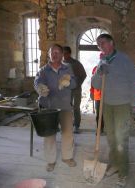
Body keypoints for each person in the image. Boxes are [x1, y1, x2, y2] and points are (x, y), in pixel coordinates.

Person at [91, 34, 135, 188]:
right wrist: (99, 72)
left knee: (121, 139)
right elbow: (96, 85)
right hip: (107, 104)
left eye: (103, 43)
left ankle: (123, 172)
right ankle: (114, 164)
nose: (101, 46)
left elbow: (134, 80)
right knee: (111, 137)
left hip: (122, 105)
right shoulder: (102, 61)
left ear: (111, 43)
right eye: (99, 45)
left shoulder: (124, 59)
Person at [34, 44, 77, 172]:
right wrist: (40, 88)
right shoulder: (43, 70)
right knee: (49, 134)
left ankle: (67, 157)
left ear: (62, 54)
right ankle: (50, 161)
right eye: (52, 52)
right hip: (49, 107)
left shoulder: (67, 68)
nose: (55, 54)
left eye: (58, 52)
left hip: (64, 106)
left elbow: (74, 83)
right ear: (49, 54)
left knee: (67, 133)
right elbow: (37, 83)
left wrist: (68, 82)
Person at [63, 46, 87, 133]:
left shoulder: (76, 64)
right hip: (66, 89)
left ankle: (76, 125)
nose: (64, 55)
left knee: (76, 107)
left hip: (76, 89)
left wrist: (77, 84)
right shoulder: (61, 64)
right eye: (63, 53)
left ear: (69, 53)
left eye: (66, 53)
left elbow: (84, 75)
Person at [90, 53, 105, 135]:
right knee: (99, 114)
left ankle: (107, 128)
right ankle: (99, 128)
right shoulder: (95, 69)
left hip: (108, 95)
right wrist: (91, 92)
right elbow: (92, 82)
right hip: (98, 95)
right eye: (101, 58)